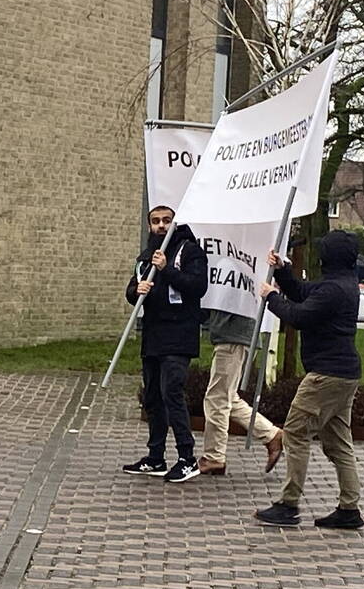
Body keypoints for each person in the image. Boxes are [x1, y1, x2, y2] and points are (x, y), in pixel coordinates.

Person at [253, 230, 364, 529]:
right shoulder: (343, 284)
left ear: (326, 257)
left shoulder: (334, 289)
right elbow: (304, 292)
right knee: (339, 442)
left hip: (326, 376)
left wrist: (272, 296)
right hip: (345, 374)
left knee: (296, 432)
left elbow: (299, 315)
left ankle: (288, 505)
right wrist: (283, 272)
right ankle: (349, 509)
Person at [121, 205, 208, 483]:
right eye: (155, 221)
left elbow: (198, 287)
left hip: (179, 332)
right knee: (153, 396)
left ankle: (187, 457)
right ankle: (155, 456)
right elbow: (132, 288)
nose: (160, 226)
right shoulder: (146, 256)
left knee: (172, 391)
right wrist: (137, 291)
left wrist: (167, 270)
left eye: (166, 221)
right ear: (149, 226)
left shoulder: (189, 250)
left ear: (174, 224)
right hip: (153, 333)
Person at [198, 310, 283, 475]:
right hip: (238, 335)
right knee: (228, 396)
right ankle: (271, 435)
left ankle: (214, 456)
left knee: (218, 398)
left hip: (233, 336)